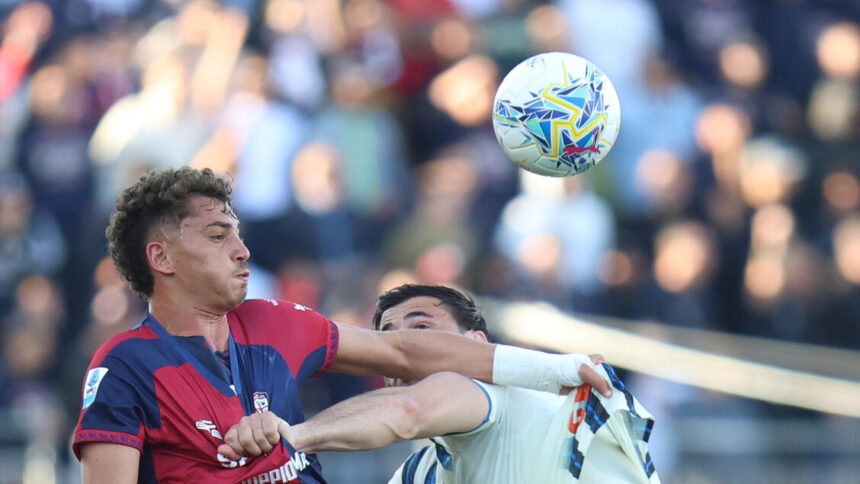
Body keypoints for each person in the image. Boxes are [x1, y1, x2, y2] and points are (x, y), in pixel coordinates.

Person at [72, 167, 612, 484]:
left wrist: (554, 368)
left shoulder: (271, 321)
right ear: (162, 258)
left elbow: (404, 355)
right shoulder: (125, 366)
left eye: (237, 232)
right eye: (217, 236)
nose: (242, 251)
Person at [218, 284, 660, 483]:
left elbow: (410, 410)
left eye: (422, 328)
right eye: (389, 340)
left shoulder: (494, 393)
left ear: (477, 343)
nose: (407, 347)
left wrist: (295, 436)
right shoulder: (420, 473)